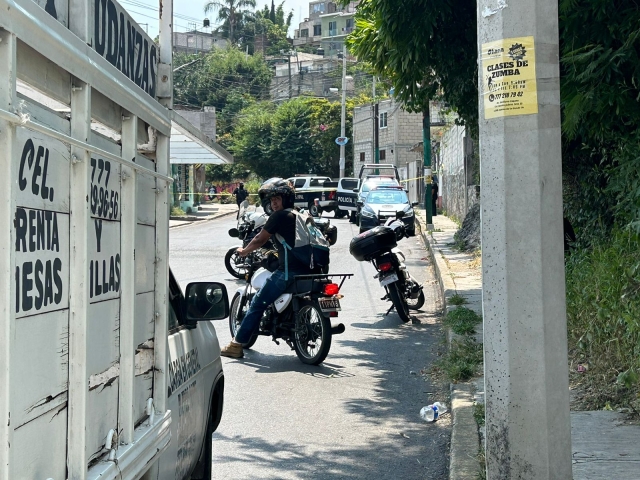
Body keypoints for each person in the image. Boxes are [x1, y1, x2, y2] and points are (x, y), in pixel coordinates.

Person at [221, 178, 310, 359]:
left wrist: (244, 251)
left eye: (277, 198)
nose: (274, 203)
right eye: (271, 200)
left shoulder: (280, 216)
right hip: (312, 270)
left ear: (287, 199)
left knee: (257, 304)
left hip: (288, 271)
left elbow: (260, 239)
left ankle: (236, 345)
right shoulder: (302, 215)